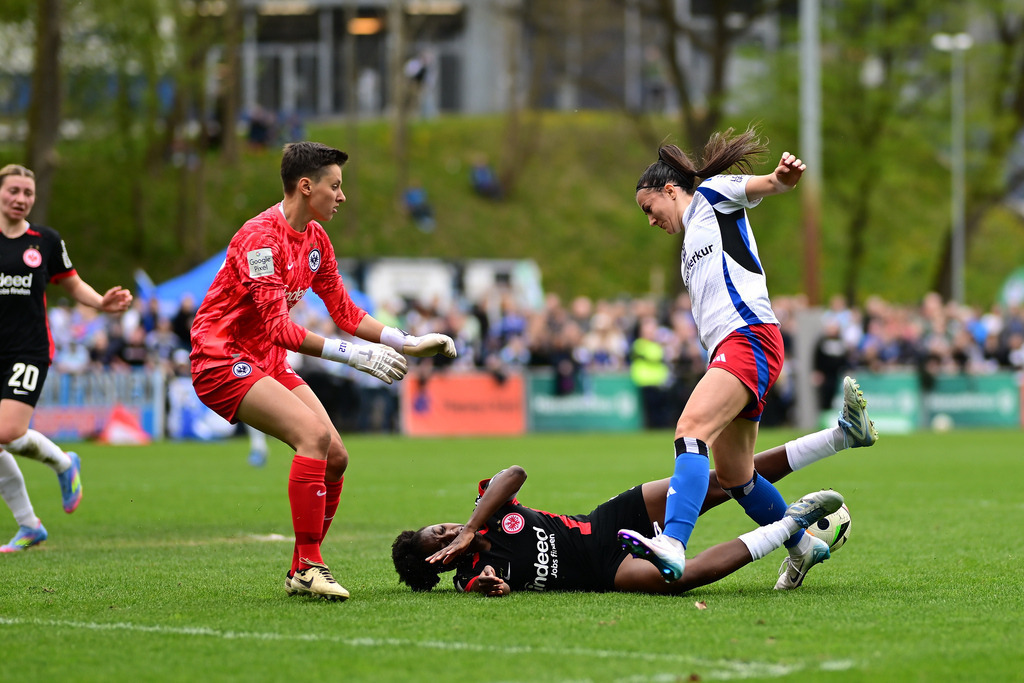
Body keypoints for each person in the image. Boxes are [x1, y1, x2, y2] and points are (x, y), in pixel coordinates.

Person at [189, 141, 456, 601]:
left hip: (265, 361)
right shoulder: (260, 239)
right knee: (312, 438)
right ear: (306, 186)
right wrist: (355, 356)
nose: (342, 195)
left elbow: (345, 311)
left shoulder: (316, 239)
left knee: (336, 457)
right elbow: (279, 328)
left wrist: (406, 342)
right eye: (335, 186)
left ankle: (301, 568)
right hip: (221, 359)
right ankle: (311, 565)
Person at [621, 128, 878, 590]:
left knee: (690, 431)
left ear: (670, 190)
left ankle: (673, 542)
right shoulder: (687, 249)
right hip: (734, 347)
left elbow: (768, 185)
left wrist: (782, 179)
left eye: (648, 207)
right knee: (736, 476)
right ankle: (801, 545)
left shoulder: (712, 196)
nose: (650, 219)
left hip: (749, 338)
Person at [391, 380, 875, 595]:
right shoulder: (468, 575)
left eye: (438, 528)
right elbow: (486, 585)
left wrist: (470, 527)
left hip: (608, 521)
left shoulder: (485, 513)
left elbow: (514, 473)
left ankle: (840, 436)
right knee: (677, 579)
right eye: (438, 540)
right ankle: (791, 525)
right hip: (604, 570)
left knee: (725, 479)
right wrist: (491, 585)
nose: (445, 531)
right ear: (438, 563)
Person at [0, 163, 133, 552]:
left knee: (6, 431)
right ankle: (29, 525)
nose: (21, 198)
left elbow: (72, 284)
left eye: (28, 192)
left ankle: (62, 463)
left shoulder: (44, 241)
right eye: (13, 191)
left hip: (28, 351)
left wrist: (102, 303)